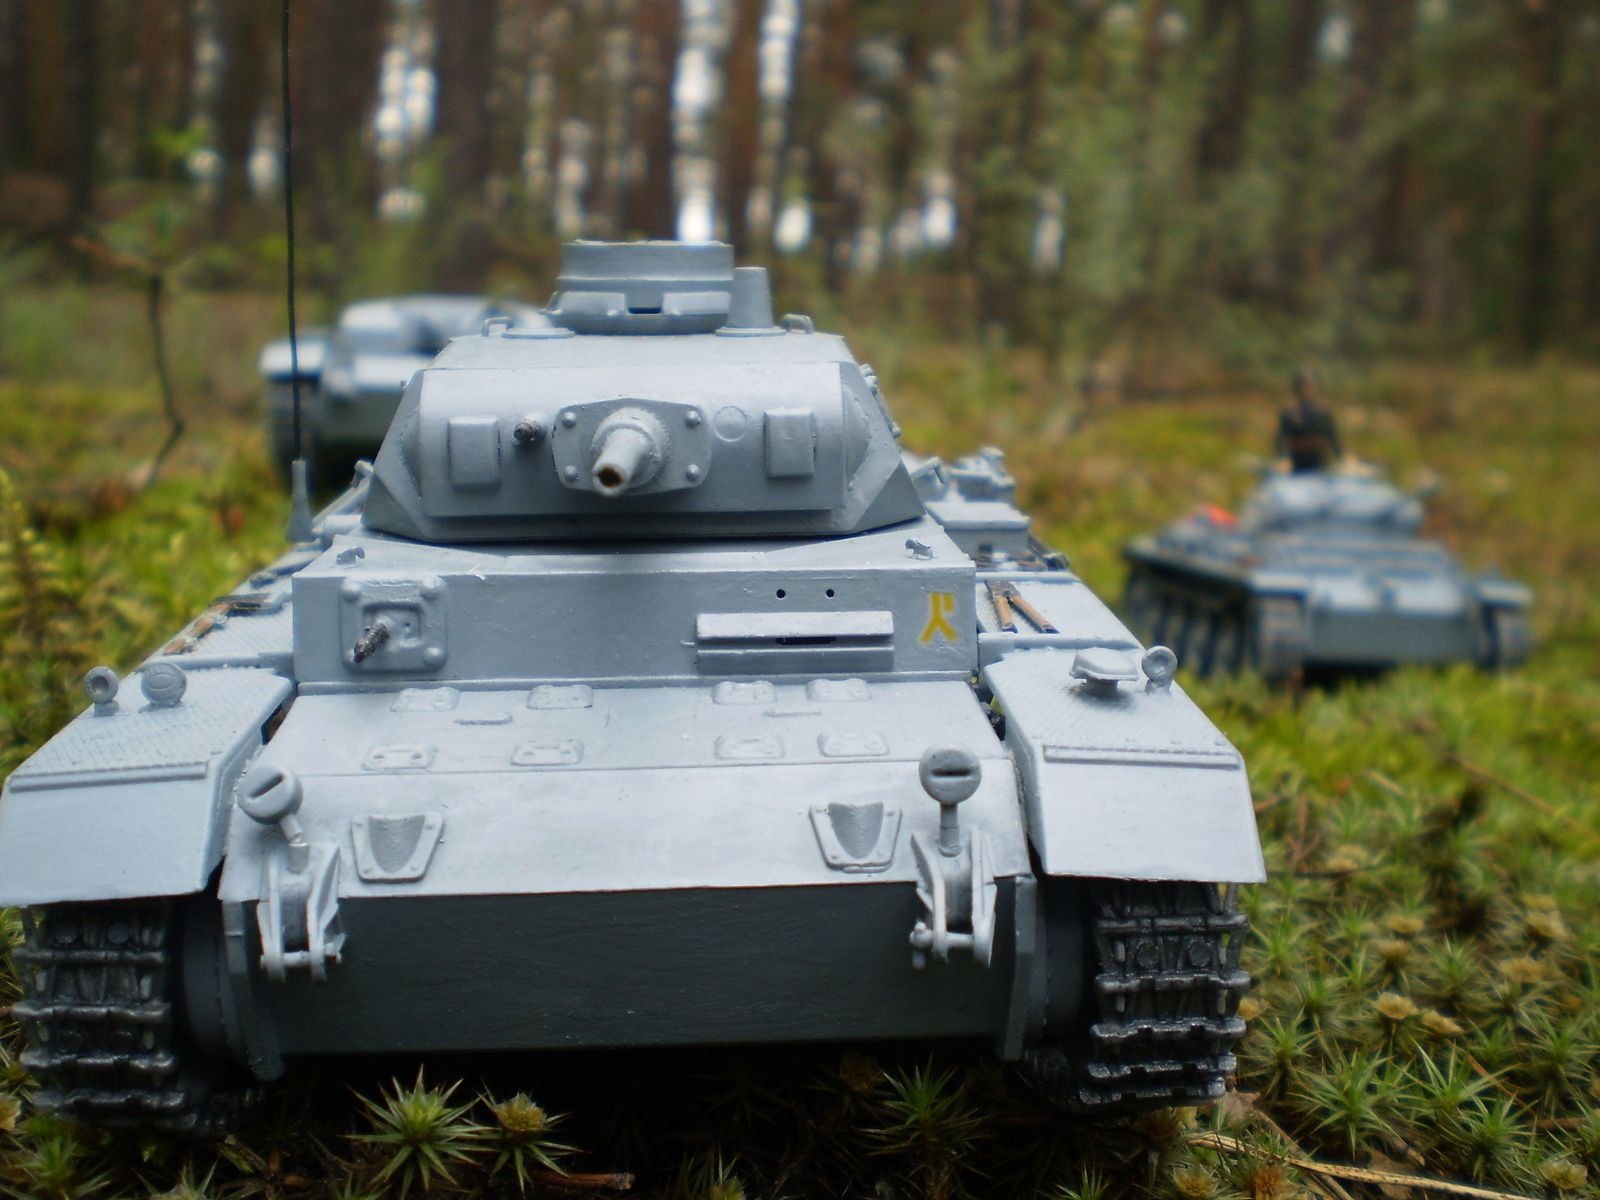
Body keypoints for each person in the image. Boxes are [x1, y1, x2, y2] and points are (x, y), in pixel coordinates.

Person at [1275, 369, 1342, 473]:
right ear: (1297, 388)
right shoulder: (1289, 414)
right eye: (1303, 386)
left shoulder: (1323, 413)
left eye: (1309, 385)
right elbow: (1281, 440)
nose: (1306, 389)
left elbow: (1333, 438)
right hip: (1295, 465)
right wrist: (1282, 458)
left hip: (1319, 464)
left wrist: (1340, 458)